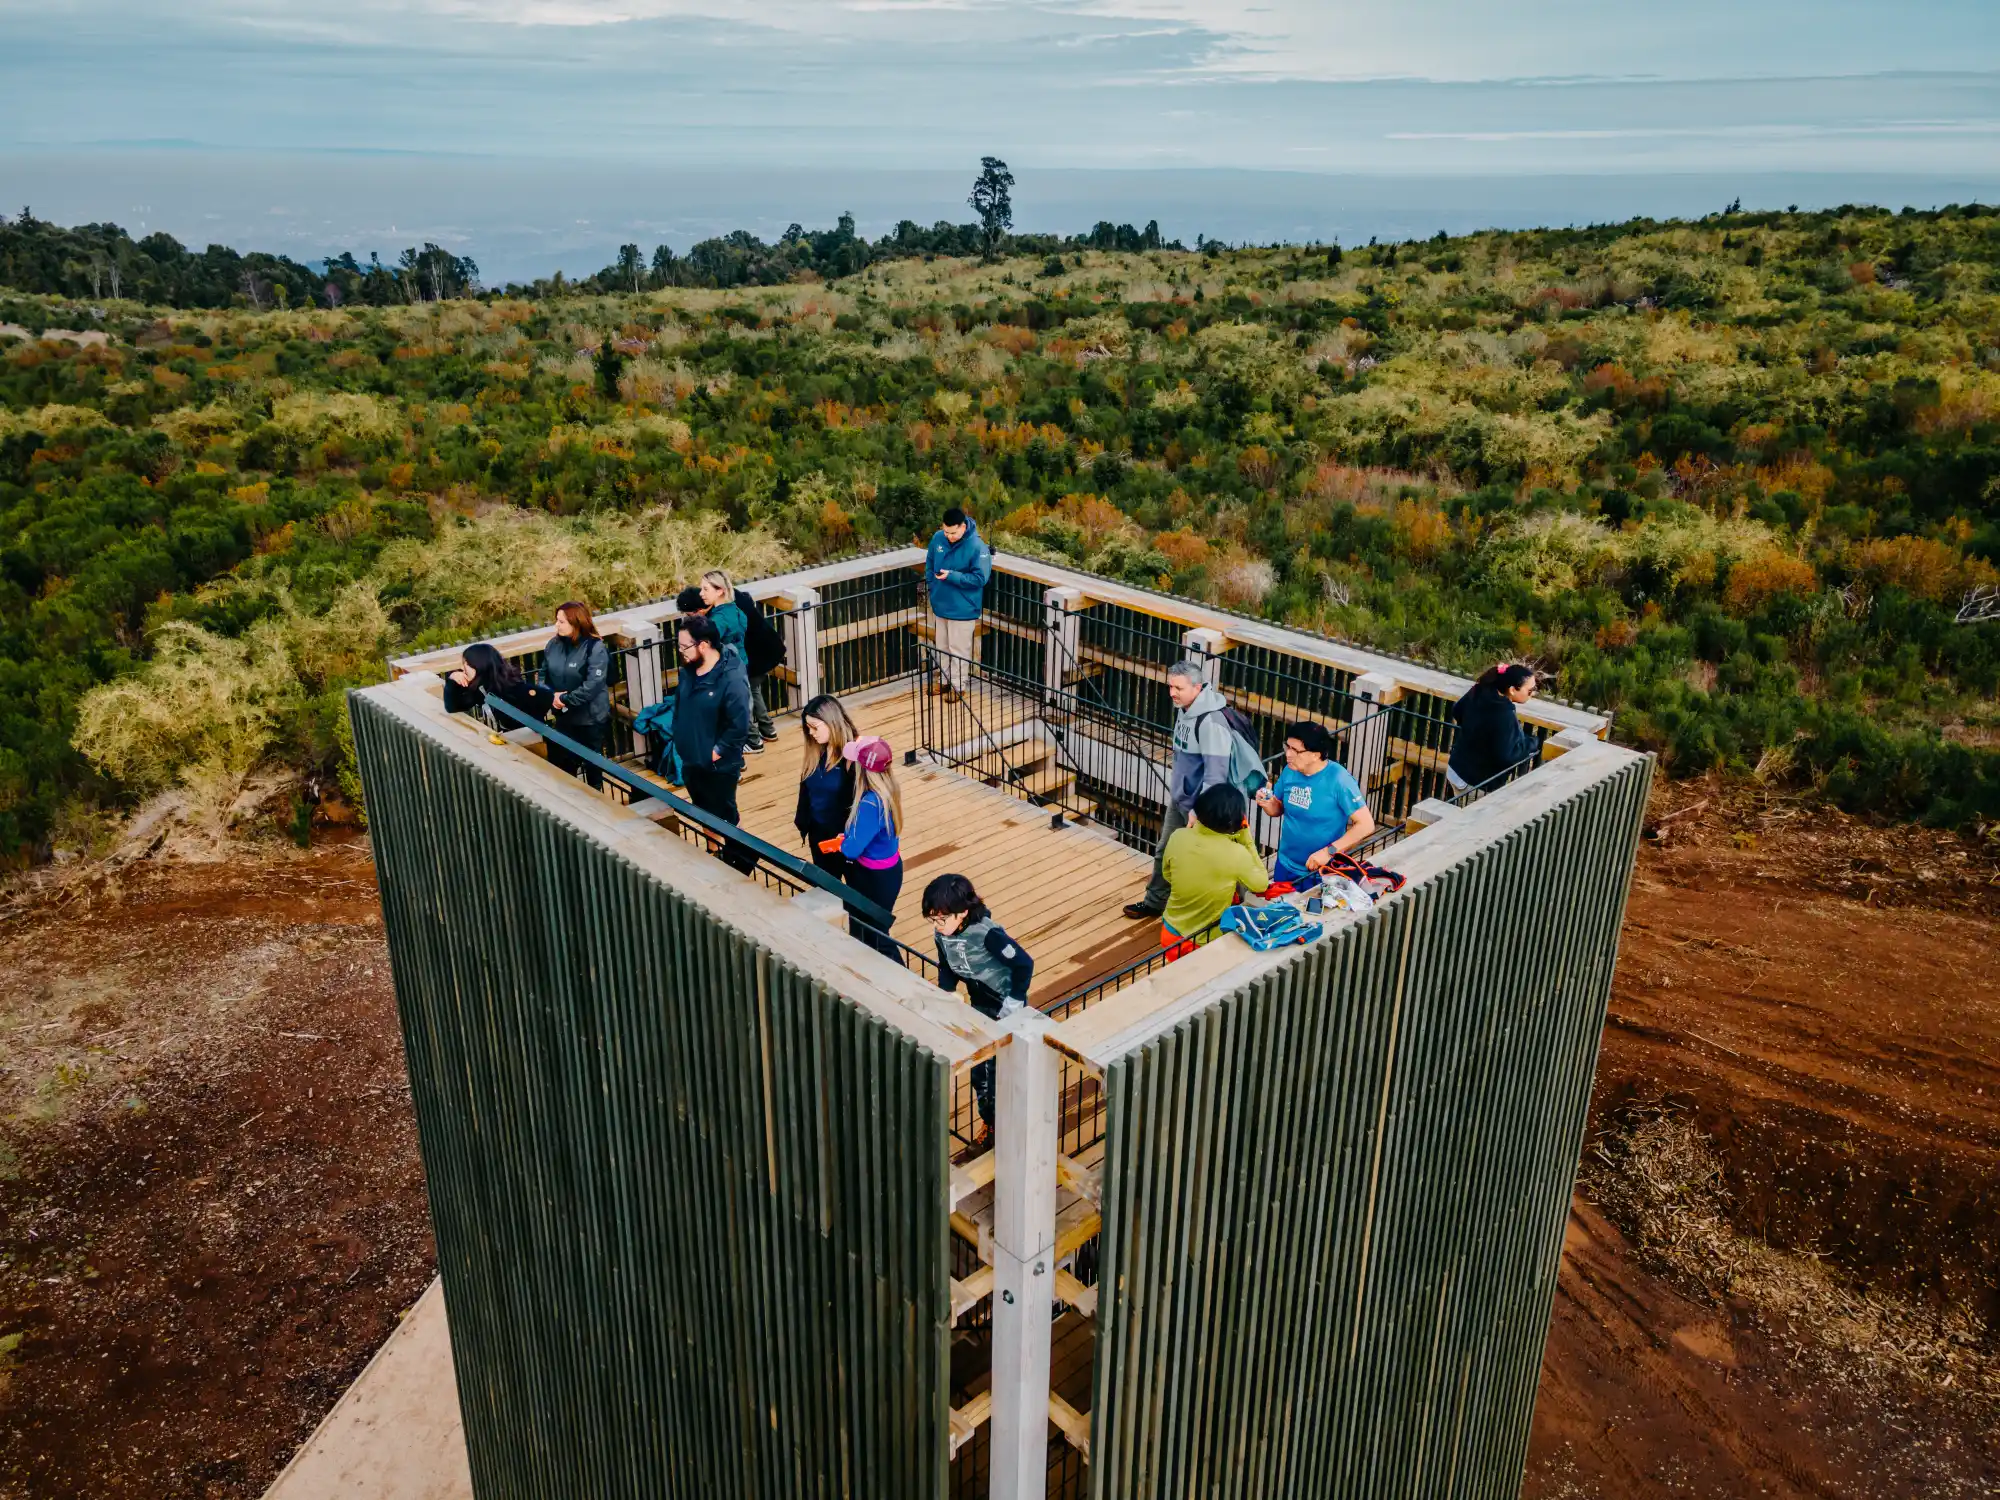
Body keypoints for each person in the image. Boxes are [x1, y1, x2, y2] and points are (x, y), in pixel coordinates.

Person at [1123, 660, 1243, 921]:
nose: (1172, 693)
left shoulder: (1211, 722)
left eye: (1178, 687)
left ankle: (1236, 908)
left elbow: (1215, 773)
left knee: (1216, 859)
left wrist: (1200, 812)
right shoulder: (1184, 708)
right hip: (1181, 800)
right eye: (1170, 686)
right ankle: (1154, 902)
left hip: (1201, 809)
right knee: (1164, 851)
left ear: (1197, 687)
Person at [923, 874, 1033, 1141]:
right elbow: (946, 965)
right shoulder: (944, 935)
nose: (937, 926)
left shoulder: (987, 934)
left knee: (999, 1072)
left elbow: (1024, 963)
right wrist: (948, 992)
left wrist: (1014, 1000)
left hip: (1005, 1006)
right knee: (980, 1072)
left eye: (941, 920)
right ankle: (991, 1121)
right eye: (932, 920)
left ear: (962, 913)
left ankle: (1007, 1126)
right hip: (978, 1005)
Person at [672, 612, 757, 874]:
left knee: (725, 814)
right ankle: (713, 851)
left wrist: (716, 752)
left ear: (704, 645)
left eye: (685, 646)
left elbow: (739, 724)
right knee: (702, 809)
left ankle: (742, 857)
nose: (681, 651)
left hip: (718, 765)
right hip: (690, 758)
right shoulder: (688, 672)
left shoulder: (730, 679)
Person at [1254, 722, 1375, 885]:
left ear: (1316, 754)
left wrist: (1329, 852)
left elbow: (1366, 825)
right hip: (1285, 864)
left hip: (1322, 872)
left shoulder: (1339, 780)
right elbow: (1279, 808)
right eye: (1287, 747)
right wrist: (1270, 805)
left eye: (1295, 750)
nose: (1288, 754)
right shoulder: (1291, 770)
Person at [1160, 784, 1273, 954]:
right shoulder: (1237, 853)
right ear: (1234, 821)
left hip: (1170, 934)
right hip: (1205, 941)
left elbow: (1167, 874)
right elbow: (1261, 884)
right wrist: (1247, 841)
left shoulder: (1178, 836)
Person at [827, 735, 904, 960]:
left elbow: (851, 850)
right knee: (871, 930)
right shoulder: (889, 790)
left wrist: (845, 841)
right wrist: (851, 837)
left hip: (872, 877)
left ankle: (905, 979)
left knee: (876, 935)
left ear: (864, 769)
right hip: (888, 871)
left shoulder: (870, 803)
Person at [925, 505, 991, 700]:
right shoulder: (938, 538)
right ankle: (944, 681)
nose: (948, 536)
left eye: (952, 533)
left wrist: (952, 576)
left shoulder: (978, 547)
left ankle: (957, 685)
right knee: (943, 646)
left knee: (959, 649)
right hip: (940, 603)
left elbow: (980, 579)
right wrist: (932, 584)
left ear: (963, 527)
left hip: (963, 608)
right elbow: (929, 563)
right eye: (945, 531)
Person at [543, 601, 611, 789]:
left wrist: (565, 699)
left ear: (576, 622)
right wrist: (551, 696)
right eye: (557, 620)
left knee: (593, 765)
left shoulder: (594, 647)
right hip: (564, 717)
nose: (556, 625)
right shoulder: (553, 645)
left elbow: (593, 685)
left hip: (590, 718)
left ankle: (597, 799)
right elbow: (544, 674)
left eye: (561, 622)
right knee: (566, 763)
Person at [1447, 663, 1541, 794]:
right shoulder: (1504, 713)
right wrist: (1532, 743)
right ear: (1512, 690)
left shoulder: (1481, 690)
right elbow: (1507, 755)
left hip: (1456, 767)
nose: (1533, 694)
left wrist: (1476, 732)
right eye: (1530, 691)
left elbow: (1458, 710)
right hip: (1476, 782)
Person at [793, 694, 859, 879]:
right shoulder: (815, 754)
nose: (811, 733)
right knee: (826, 890)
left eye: (815, 727)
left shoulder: (853, 757)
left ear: (831, 721)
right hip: (819, 836)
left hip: (844, 839)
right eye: (808, 728)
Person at [442, 642, 554, 728]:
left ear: (478, 665)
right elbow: (453, 707)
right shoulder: (480, 688)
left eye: (466, 664)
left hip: (528, 740)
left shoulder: (509, 687)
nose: (463, 668)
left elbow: (545, 697)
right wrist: (452, 681)